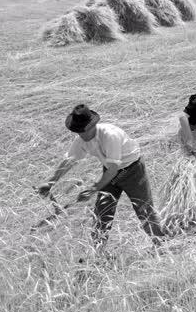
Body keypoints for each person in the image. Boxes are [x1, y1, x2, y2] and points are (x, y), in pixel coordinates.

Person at [37, 104, 164, 249]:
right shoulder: (82, 140)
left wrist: (94, 188)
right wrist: (51, 182)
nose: (81, 135)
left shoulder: (110, 135)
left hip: (132, 170)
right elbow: (70, 160)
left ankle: (161, 245)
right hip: (110, 171)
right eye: (78, 132)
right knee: (101, 213)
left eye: (83, 131)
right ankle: (96, 253)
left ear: (92, 126)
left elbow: (113, 169)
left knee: (143, 208)